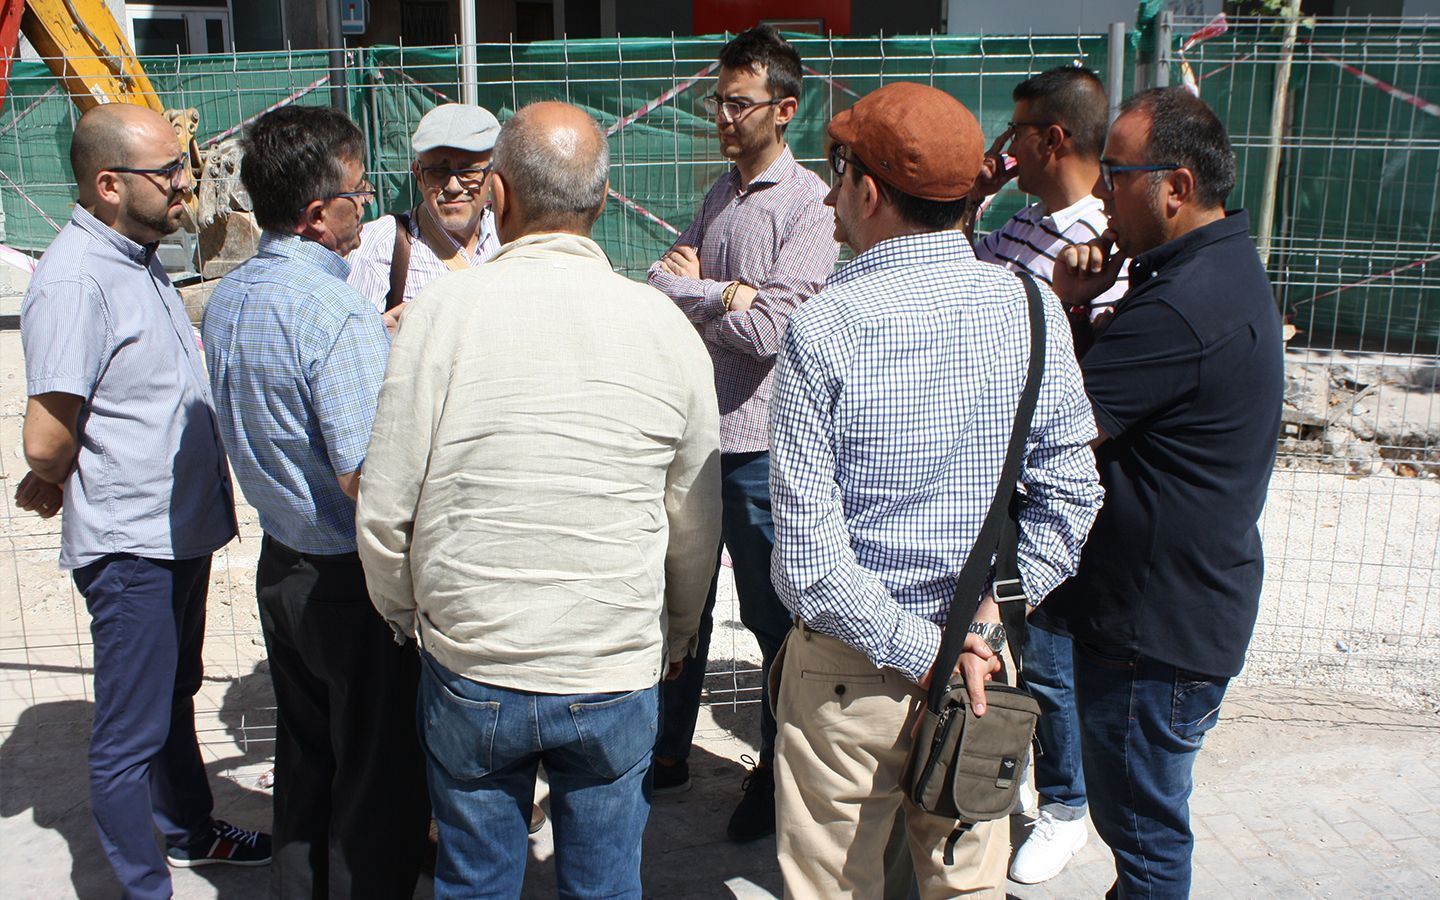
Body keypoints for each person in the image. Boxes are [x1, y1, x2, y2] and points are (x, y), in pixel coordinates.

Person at [356, 101, 721, 899]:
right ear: (602, 199)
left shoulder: (439, 316)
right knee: (605, 885)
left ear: (499, 195)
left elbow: (384, 506)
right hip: (612, 664)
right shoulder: (664, 326)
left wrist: (409, 614)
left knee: (475, 882)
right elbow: (693, 519)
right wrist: (677, 631)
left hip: (472, 662)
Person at [768, 81, 1104, 899]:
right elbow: (1072, 493)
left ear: (868, 191)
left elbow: (810, 565)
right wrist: (979, 630)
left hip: (850, 673)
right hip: (980, 667)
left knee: (833, 888)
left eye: (838, 170)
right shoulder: (1029, 305)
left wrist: (929, 652)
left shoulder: (825, 326)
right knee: (968, 887)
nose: (828, 193)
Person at [16, 103, 268, 900]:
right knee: (129, 733)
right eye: (168, 172)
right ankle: (142, 885)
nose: (186, 183)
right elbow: (45, 439)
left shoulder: (135, 255)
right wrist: (56, 471)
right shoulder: (77, 279)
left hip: (173, 533)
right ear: (108, 184)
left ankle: (190, 829)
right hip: (133, 548)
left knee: (171, 695)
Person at [1040, 86, 1284, 899]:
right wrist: (1086, 312)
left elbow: (1056, 426)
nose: (1100, 192)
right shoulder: (1203, 271)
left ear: (1175, 187)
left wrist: (1064, 306)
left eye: (1116, 174)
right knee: (1146, 833)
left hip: (1153, 633)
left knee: (1145, 844)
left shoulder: (1183, 305)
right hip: (1174, 615)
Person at [201, 105, 430, 898]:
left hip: (285, 561)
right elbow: (367, 476)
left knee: (307, 757)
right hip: (348, 578)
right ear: (314, 213)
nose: (365, 207)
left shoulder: (230, 296)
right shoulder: (334, 312)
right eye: (357, 194)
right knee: (378, 771)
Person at [645, 24, 839, 841]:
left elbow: (770, 333)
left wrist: (707, 294)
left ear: (784, 109)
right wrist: (726, 294)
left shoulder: (811, 206)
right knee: (679, 604)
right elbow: (660, 277)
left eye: (738, 103)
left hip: (762, 451)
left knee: (770, 621)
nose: (722, 116)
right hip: (698, 439)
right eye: (717, 102)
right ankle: (666, 751)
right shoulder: (720, 194)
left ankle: (774, 771)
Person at [966, 64, 1123, 884]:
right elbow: (960, 284)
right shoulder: (1025, 222)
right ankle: (1022, 772)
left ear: (1052, 139)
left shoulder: (1102, 243)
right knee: (1014, 641)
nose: (1006, 148)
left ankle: (1066, 806)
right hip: (992, 471)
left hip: (1046, 482)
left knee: (1051, 657)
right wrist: (974, 199)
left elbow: (1092, 380)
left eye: (1016, 134)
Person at [347, 102, 502, 331]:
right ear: (418, 175)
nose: (453, 186)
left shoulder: (507, 239)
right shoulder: (382, 244)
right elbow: (355, 342)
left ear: (492, 176)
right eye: (438, 171)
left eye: (469, 171)